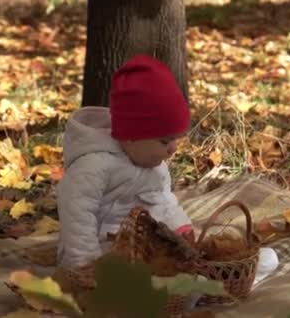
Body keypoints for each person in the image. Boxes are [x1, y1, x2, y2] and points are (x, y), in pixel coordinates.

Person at [56, 54, 194, 267]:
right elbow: (77, 217)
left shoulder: (155, 165)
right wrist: (85, 264)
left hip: (145, 249)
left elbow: (162, 201)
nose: (173, 149)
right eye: (165, 141)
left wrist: (181, 228)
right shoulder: (94, 165)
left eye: (175, 139)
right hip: (102, 253)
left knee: (184, 266)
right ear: (131, 136)